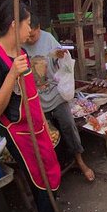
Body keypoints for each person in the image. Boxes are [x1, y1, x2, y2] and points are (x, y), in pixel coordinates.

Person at [0, 0, 73, 212]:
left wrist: (45, 121)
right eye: (27, 23)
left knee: (51, 169)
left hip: (37, 125)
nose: (30, 29)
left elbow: (31, 93)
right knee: (38, 177)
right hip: (18, 132)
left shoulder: (21, 52)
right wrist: (12, 73)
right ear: (14, 25)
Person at [23, 15, 95, 182]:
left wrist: (62, 57)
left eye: (33, 35)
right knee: (45, 134)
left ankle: (79, 161)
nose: (30, 38)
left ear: (39, 27)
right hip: (35, 96)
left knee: (68, 124)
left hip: (54, 92)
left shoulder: (48, 39)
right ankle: (52, 167)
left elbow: (60, 63)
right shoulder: (21, 43)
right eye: (28, 35)